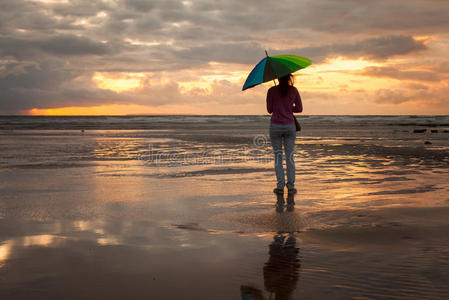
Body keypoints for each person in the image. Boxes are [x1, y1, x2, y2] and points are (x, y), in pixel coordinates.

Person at [266, 74, 302, 194]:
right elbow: (300, 108)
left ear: (277, 78)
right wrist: (289, 107)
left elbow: (269, 109)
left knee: (278, 157)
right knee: (290, 157)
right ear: (288, 78)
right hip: (289, 126)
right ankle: (291, 186)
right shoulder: (294, 90)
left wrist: (278, 106)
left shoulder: (271, 90)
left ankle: (280, 186)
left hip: (275, 126)